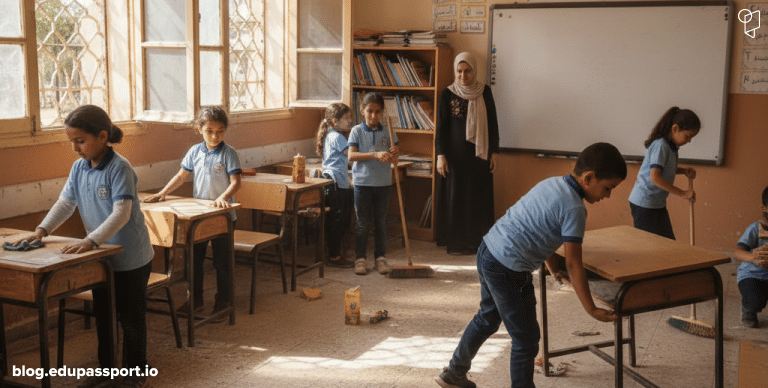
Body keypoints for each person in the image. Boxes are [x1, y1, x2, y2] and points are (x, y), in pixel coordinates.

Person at [436, 142, 627, 388]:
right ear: (589, 177)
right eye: (608, 188)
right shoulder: (575, 209)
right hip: (508, 268)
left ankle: (453, 373)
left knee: (487, 318)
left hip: (489, 251)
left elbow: (539, 229)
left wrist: (550, 266)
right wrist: (590, 309)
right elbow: (573, 263)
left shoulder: (551, 183)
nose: (607, 196)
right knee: (526, 339)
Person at [13, 105, 154, 388]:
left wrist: (90, 241)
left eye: (80, 141)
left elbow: (121, 214)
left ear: (102, 136)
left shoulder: (120, 168)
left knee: (130, 319)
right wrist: (41, 231)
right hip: (102, 259)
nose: (75, 148)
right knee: (104, 316)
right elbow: (66, 203)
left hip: (131, 257)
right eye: (71, 142)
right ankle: (107, 372)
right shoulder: (79, 168)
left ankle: (135, 375)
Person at [144, 106, 241, 322]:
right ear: (199, 129)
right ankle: (195, 300)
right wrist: (162, 193)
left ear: (225, 130)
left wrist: (222, 198)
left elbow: (236, 183)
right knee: (193, 261)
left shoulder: (228, 153)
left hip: (223, 216)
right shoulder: (195, 152)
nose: (215, 136)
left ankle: (223, 302)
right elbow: (181, 176)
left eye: (220, 131)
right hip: (199, 217)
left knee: (222, 263)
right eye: (210, 131)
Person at [435, 51, 500, 255]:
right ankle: (456, 243)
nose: (463, 76)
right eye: (459, 71)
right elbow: (442, 128)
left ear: (474, 70)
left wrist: (494, 152)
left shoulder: (485, 92)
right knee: (456, 198)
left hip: (479, 157)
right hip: (455, 159)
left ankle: (477, 243)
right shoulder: (447, 94)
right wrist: (440, 155)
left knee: (477, 199)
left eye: (467, 71)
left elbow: (493, 125)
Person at [628, 107, 700, 239]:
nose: (688, 141)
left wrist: (683, 171)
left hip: (657, 203)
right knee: (646, 244)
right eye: (688, 136)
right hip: (644, 202)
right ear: (675, 129)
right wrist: (683, 193)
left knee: (668, 242)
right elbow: (655, 177)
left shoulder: (671, 147)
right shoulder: (661, 146)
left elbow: (665, 170)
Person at [348, 92, 399, 275]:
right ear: (362, 111)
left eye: (378, 112)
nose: (373, 116)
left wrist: (394, 154)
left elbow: (396, 156)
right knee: (362, 223)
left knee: (381, 223)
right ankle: (360, 258)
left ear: (382, 113)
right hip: (362, 184)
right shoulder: (357, 131)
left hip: (384, 184)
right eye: (369, 111)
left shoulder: (388, 131)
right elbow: (352, 155)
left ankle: (380, 258)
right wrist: (375, 154)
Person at [316, 102, 355, 268]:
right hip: (335, 183)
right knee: (338, 221)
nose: (350, 121)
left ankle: (335, 253)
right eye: (346, 118)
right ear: (334, 121)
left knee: (340, 220)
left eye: (350, 117)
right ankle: (334, 256)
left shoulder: (333, 135)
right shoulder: (336, 137)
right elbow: (351, 154)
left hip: (337, 182)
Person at [733, 185, 768, 328]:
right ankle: (748, 307)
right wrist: (754, 257)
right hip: (752, 275)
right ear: (764, 208)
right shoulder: (755, 228)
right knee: (756, 300)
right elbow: (737, 252)